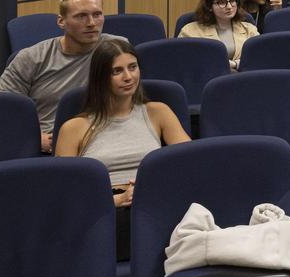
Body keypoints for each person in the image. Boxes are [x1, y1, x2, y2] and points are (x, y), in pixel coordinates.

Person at [55, 38, 191, 207]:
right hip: (103, 206)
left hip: (155, 197)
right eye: (117, 71)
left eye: (133, 67)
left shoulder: (158, 112)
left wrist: (156, 185)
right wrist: (117, 200)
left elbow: (188, 163)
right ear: (100, 78)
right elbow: (65, 192)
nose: (128, 77)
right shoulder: (73, 128)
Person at [0, 0, 124, 153]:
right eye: (81, 16)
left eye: (97, 14)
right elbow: (3, 110)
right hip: (50, 144)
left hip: (103, 138)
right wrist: (33, 137)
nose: (91, 23)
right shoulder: (31, 58)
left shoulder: (116, 49)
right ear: (61, 21)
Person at [177, 0, 259, 71]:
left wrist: (235, 64)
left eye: (232, 1)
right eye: (222, 2)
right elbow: (184, 61)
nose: (229, 7)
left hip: (244, 75)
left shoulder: (249, 29)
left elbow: (258, 56)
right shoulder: (189, 31)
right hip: (208, 76)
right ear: (209, 7)